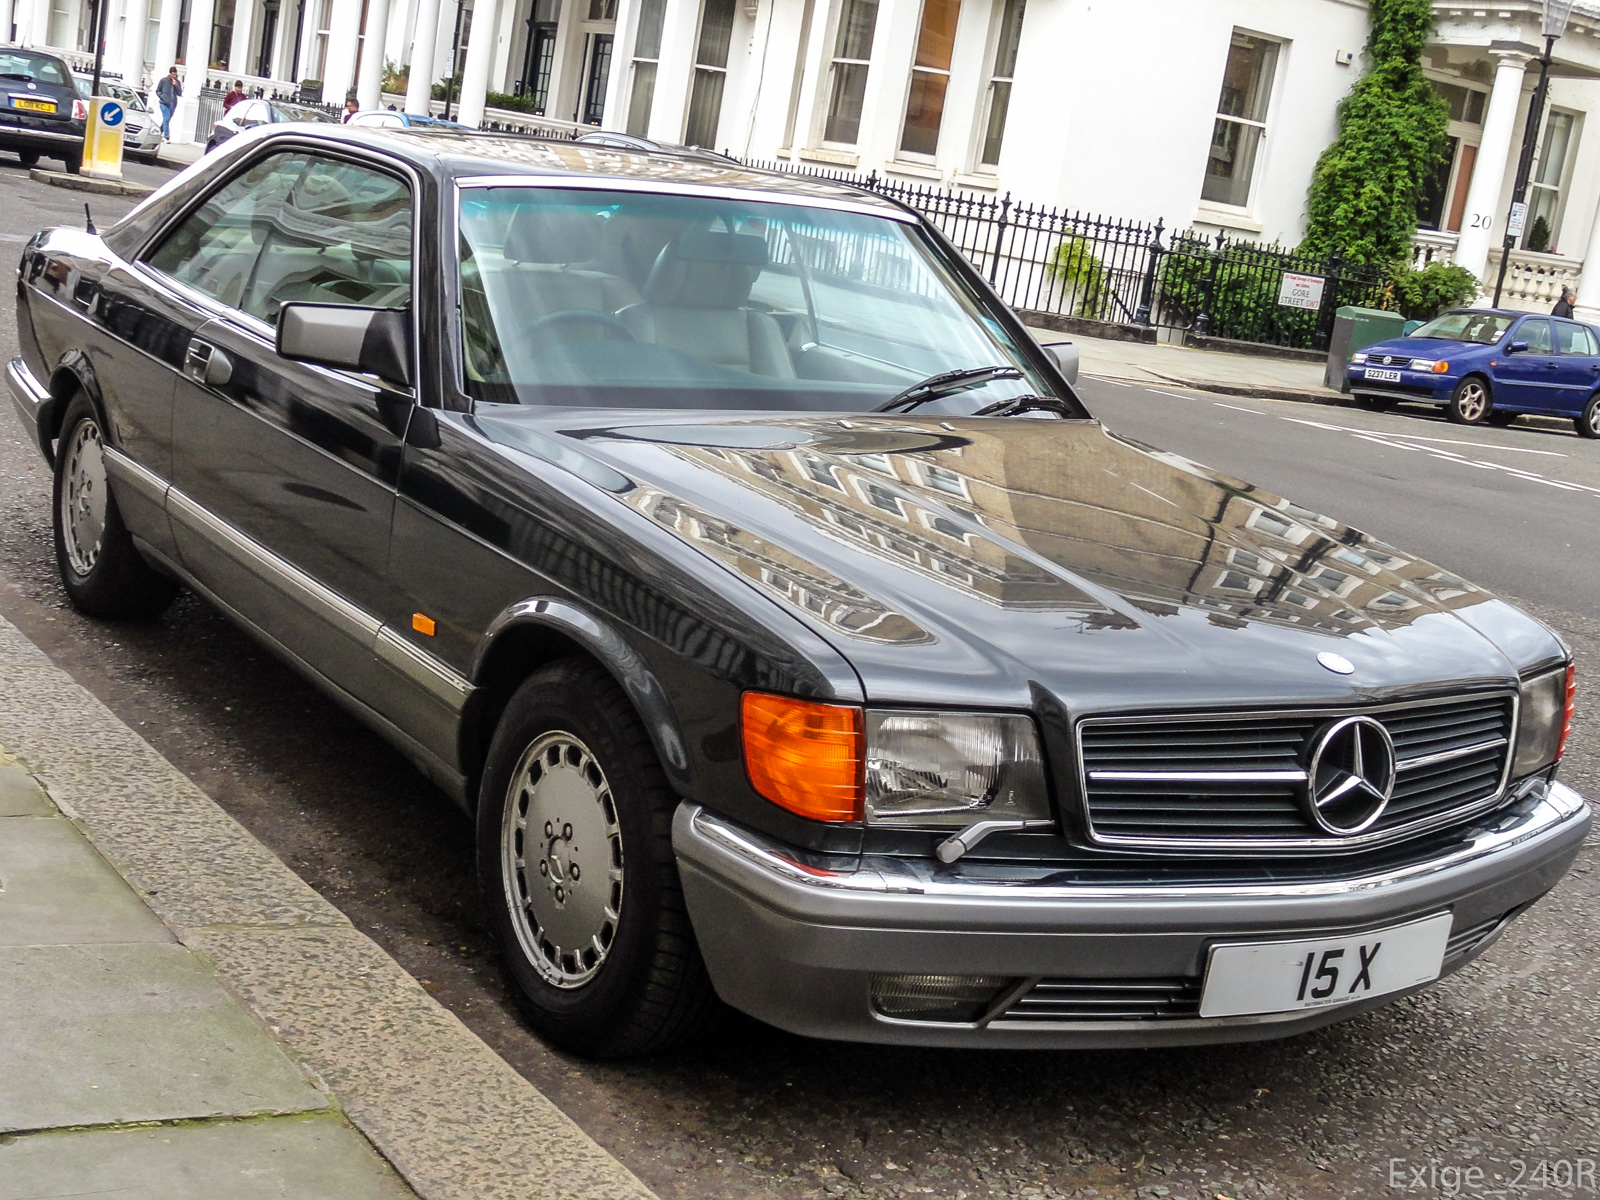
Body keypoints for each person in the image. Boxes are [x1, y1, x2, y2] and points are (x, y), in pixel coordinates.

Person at [154, 67, 180, 140]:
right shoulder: (163, 81)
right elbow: (158, 90)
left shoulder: (177, 82)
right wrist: (162, 97)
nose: (174, 76)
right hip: (164, 103)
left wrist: (176, 85)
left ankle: (158, 132)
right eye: (173, 74)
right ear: (170, 73)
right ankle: (166, 136)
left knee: (166, 120)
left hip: (173, 104)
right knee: (167, 118)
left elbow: (180, 93)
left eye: (175, 75)